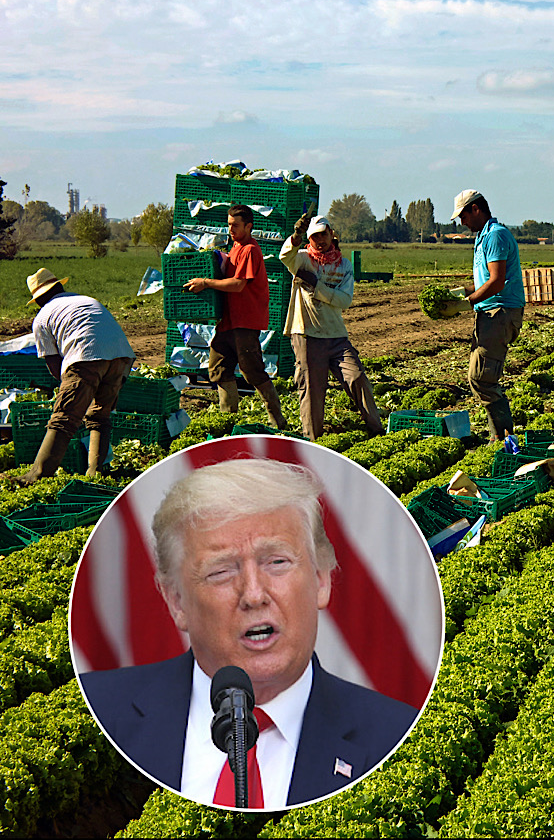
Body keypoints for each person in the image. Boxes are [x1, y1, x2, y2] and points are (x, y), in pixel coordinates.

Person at [79, 458, 419, 810]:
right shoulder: (98, 714)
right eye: (221, 572)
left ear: (321, 578)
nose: (254, 594)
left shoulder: (399, 736)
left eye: (277, 562)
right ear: (176, 600)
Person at [18, 268, 135, 484]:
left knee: (64, 418)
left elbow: (55, 367)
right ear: (59, 287)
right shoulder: (85, 300)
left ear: (38, 298)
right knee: (100, 415)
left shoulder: (42, 318)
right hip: (122, 355)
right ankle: (96, 472)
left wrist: (68, 393)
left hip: (86, 356)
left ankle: (36, 475)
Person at [278, 215, 384, 440]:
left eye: (323, 234)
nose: (320, 240)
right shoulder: (303, 259)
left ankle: (376, 429)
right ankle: (313, 440)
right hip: (306, 334)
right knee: (312, 391)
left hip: (336, 335)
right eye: (314, 237)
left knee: (356, 377)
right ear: (309, 239)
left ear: (331, 234)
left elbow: (344, 300)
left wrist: (318, 287)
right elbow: (285, 256)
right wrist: (296, 236)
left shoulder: (343, 265)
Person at [183, 204, 288, 429]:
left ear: (248, 226)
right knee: (218, 368)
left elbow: (239, 285)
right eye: (229, 224)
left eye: (235, 225)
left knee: (252, 371)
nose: (230, 229)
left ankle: (277, 419)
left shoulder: (250, 249)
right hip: (228, 321)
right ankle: (228, 420)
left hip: (245, 321)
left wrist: (207, 283)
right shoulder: (235, 248)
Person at [452, 189, 525, 441]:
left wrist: (468, 302)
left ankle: (504, 439)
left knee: (483, 378)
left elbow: (496, 282)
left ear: (476, 209)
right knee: (479, 376)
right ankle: (501, 436)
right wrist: (460, 296)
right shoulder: (484, 237)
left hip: (500, 312)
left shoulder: (495, 236)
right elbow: (486, 281)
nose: (462, 222)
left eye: (463, 216)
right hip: (490, 312)